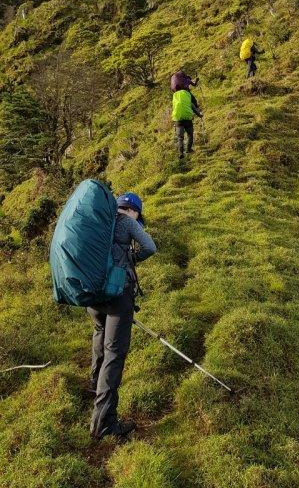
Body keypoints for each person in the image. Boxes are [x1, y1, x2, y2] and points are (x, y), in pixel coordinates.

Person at [87, 192, 156, 440]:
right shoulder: (128, 222)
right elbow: (150, 247)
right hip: (118, 293)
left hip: (93, 291)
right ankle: (104, 423)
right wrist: (132, 258)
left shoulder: (100, 218)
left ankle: (94, 384)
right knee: (114, 353)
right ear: (134, 211)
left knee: (99, 332)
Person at [172, 89, 203, 157]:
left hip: (178, 120)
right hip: (188, 120)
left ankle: (181, 153)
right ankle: (188, 150)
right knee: (190, 135)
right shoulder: (188, 101)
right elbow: (195, 109)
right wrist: (200, 115)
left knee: (180, 137)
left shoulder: (176, 102)